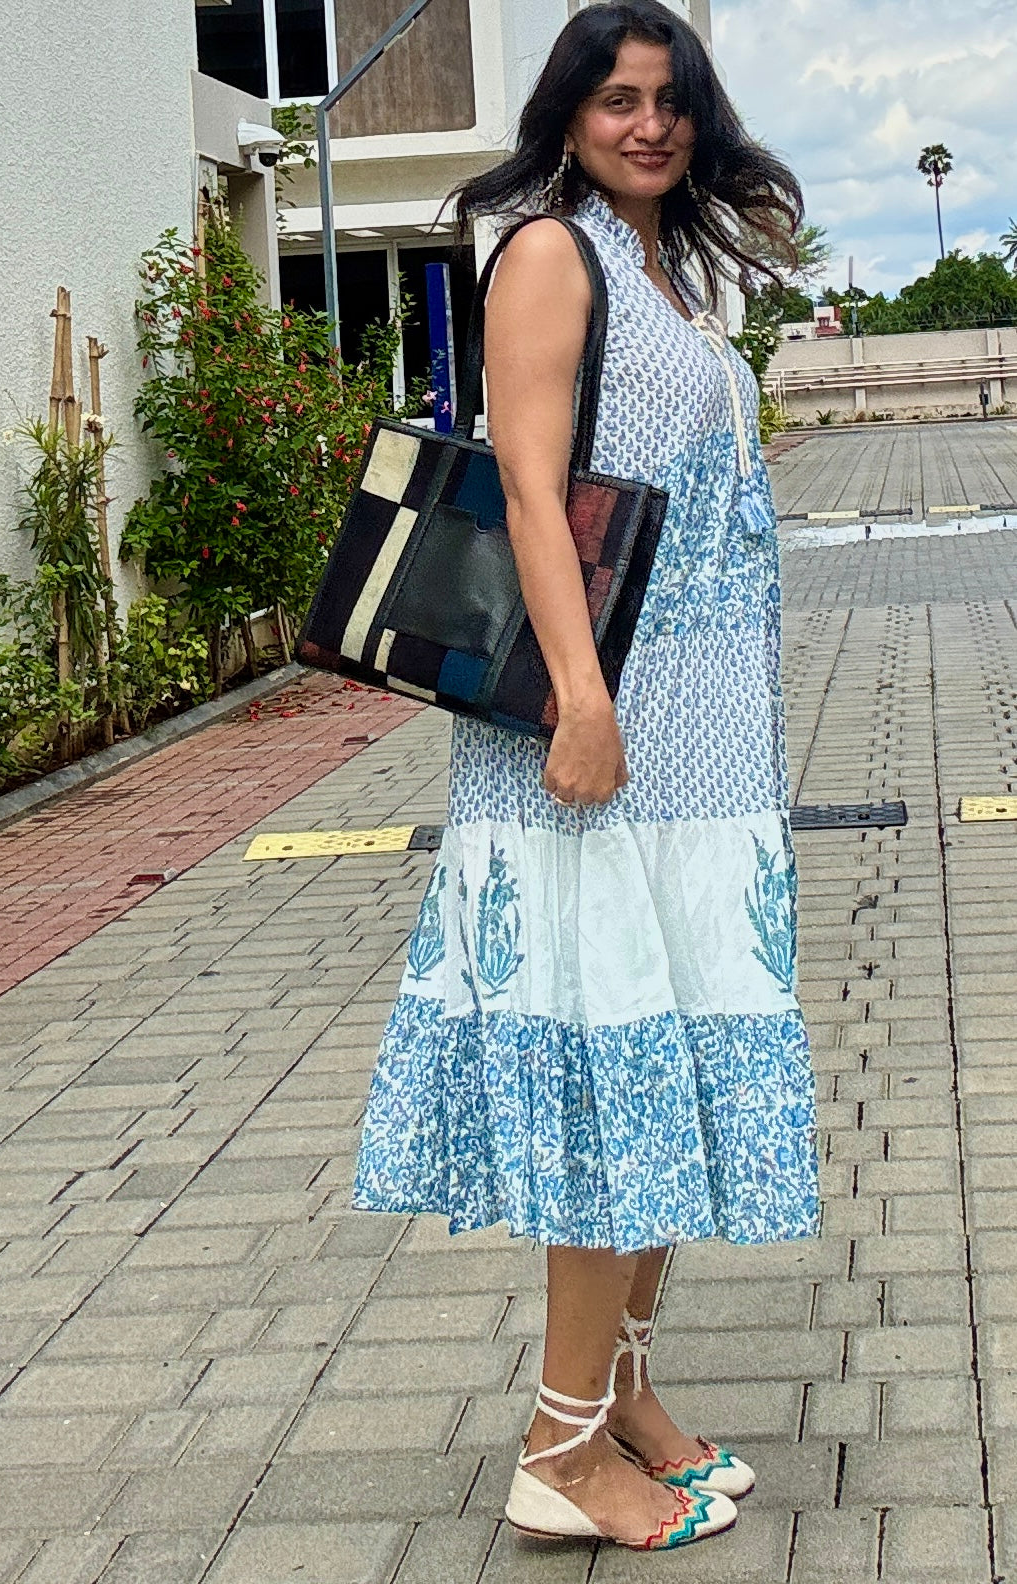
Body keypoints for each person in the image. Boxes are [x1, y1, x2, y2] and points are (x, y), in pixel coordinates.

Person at [353, 0, 820, 1553]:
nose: (650, 124)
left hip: (702, 743)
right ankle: (558, 1454)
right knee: (611, 1075)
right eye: (617, 99)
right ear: (565, 112)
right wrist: (579, 699)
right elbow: (536, 493)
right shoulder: (548, 251)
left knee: (672, 1062)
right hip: (602, 736)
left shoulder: (667, 265)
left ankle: (625, 1396)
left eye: (672, 100)